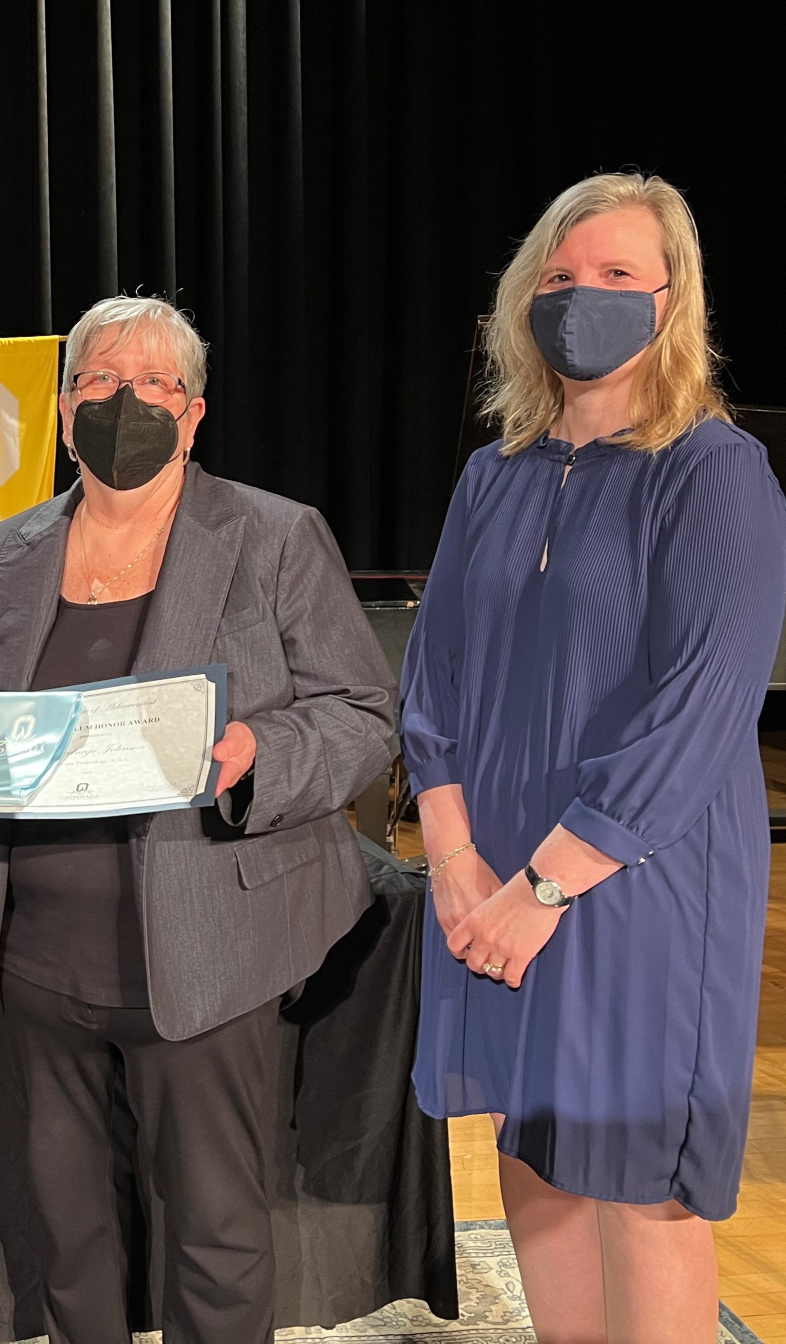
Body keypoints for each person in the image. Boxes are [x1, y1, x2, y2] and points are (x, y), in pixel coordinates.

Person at [0, 296, 397, 1341]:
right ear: (63, 411)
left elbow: (365, 714)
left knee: (214, 1228)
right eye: (101, 381)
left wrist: (258, 752)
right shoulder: (2, 553)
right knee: (58, 1226)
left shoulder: (274, 536)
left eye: (157, 386)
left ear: (194, 417)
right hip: (36, 961)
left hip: (210, 951)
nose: (127, 402)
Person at [402, 172, 786, 1344]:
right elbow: (434, 681)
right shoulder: (493, 475)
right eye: (561, 278)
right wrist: (461, 866)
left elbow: (700, 706)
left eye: (618, 276)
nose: (585, 298)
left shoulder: (713, 471)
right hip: (491, 879)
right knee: (535, 1144)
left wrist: (544, 885)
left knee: (636, 1182)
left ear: (673, 303)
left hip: (637, 890)